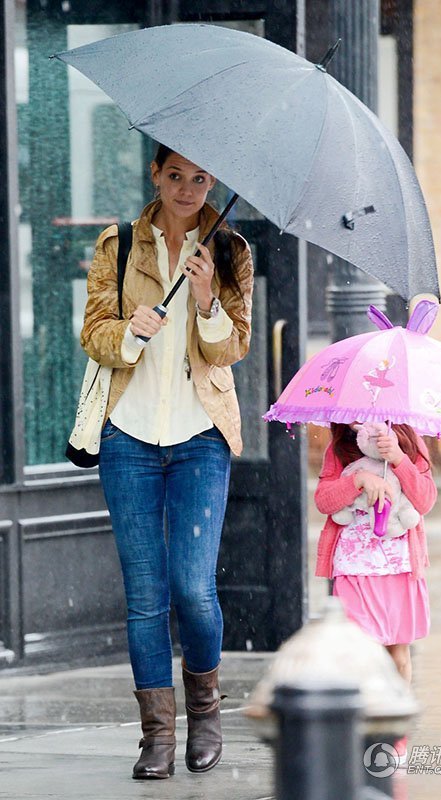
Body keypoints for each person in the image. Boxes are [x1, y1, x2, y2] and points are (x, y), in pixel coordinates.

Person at [80, 144, 253, 780]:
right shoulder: (118, 244)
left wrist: (206, 300)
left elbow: (233, 347)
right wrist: (132, 330)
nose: (186, 188)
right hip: (126, 436)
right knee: (146, 598)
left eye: (200, 177)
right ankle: (156, 736)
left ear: (214, 181)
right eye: (175, 175)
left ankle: (205, 710)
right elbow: (93, 331)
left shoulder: (231, 251)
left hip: (200, 437)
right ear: (156, 174)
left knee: (192, 589)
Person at [314, 422, 437, 763]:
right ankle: (361, 729)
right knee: (358, 655)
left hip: (398, 568)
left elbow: (424, 500)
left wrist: (398, 457)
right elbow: (324, 501)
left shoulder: (409, 441)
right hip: (354, 568)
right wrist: (357, 480)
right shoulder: (341, 446)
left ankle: (393, 735)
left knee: (397, 657)